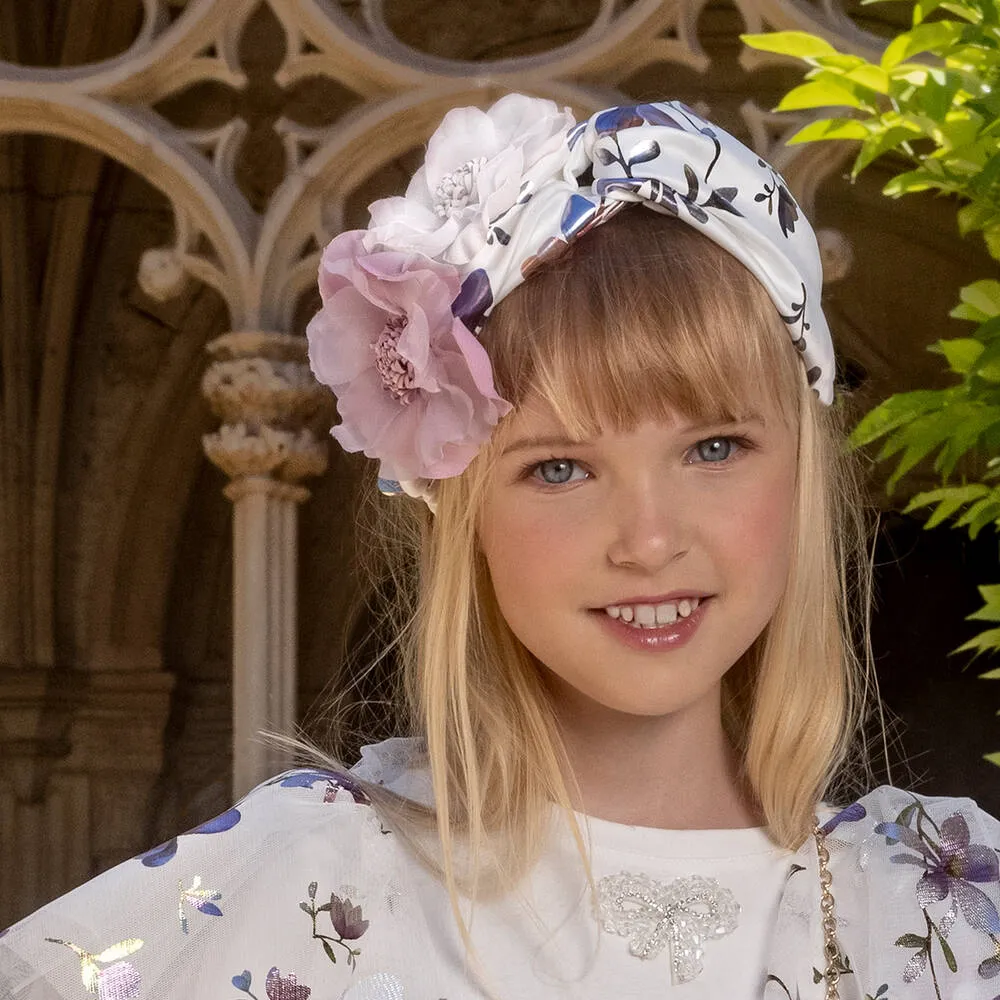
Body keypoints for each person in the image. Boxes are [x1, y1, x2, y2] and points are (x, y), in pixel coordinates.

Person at [2, 94, 999, 1000]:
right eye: (560, 468)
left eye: (713, 446)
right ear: (462, 508)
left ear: (804, 469)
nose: (649, 540)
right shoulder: (312, 887)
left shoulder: (933, 911)